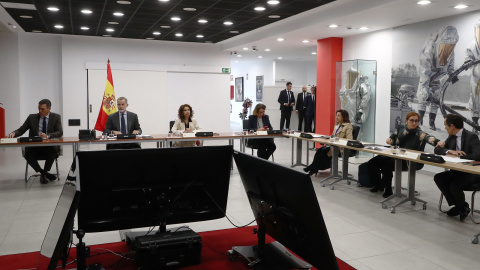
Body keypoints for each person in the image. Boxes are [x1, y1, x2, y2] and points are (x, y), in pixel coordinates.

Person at [368, 112, 440, 198]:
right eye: (411, 120)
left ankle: (388, 189)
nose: (414, 123)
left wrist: (438, 142)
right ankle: (378, 184)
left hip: (409, 161)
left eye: (416, 121)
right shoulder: (401, 129)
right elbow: (393, 138)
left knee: (386, 165)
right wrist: (390, 140)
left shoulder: (419, 133)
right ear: (406, 121)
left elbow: (429, 138)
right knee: (372, 162)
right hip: (397, 156)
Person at [433, 114, 480, 221]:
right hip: (458, 171)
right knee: (439, 178)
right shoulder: (451, 136)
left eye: (445, 125)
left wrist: (459, 156)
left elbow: (477, 155)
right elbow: (437, 150)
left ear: (452, 126)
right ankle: (461, 206)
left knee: (454, 185)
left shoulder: (471, 136)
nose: (445, 128)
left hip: (472, 173)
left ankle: (460, 207)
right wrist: (449, 151)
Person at [7, 99, 63, 184]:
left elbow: (59, 132)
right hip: (35, 146)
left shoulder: (56, 117)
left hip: (49, 146)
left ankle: (44, 173)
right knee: (28, 154)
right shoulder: (32, 117)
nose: (40, 111)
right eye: (39, 108)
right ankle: (43, 173)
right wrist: (13, 133)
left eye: (42, 109)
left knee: (52, 152)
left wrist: (48, 135)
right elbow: (21, 130)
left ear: (49, 108)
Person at [416, 26, 458, 131]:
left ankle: (431, 122)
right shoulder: (429, 50)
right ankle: (419, 121)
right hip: (427, 76)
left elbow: (450, 63)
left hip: (438, 77)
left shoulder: (450, 51)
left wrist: (452, 73)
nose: (447, 48)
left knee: (436, 101)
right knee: (423, 98)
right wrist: (425, 89)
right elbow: (424, 70)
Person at [303, 109, 352, 176]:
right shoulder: (337, 125)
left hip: (340, 148)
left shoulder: (348, 126)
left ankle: (312, 169)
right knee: (319, 151)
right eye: (336, 115)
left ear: (343, 117)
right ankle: (313, 168)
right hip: (333, 146)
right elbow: (333, 135)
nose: (336, 117)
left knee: (322, 154)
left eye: (338, 116)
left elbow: (349, 139)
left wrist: (337, 140)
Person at [465, 19, 480, 134]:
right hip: (477, 77)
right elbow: (468, 57)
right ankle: (475, 124)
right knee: (475, 100)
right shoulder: (472, 45)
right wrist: (468, 62)